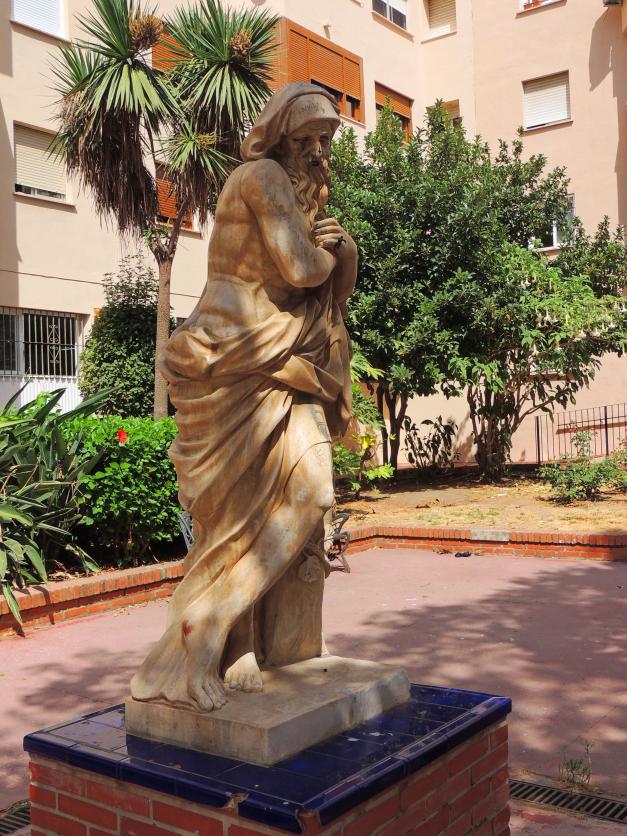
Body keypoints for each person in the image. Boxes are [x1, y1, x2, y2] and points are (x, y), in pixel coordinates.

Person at [130, 83, 357, 712]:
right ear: (279, 134)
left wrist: (343, 249)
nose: (318, 152)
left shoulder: (300, 192)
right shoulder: (261, 176)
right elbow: (301, 270)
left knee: (302, 495)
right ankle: (215, 638)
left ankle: (237, 636)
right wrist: (331, 248)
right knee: (237, 519)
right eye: (307, 138)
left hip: (281, 359)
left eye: (326, 140)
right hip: (238, 354)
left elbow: (331, 294)